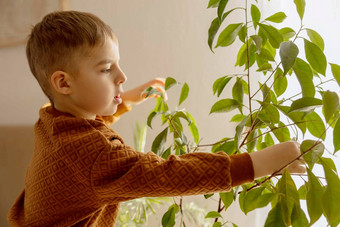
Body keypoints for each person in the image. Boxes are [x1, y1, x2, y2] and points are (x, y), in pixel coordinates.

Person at [8, 11, 305, 226]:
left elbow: (86, 133)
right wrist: (256, 163)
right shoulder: (93, 155)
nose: (122, 76)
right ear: (64, 83)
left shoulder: (51, 120)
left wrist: (123, 99)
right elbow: (166, 174)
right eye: (106, 69)